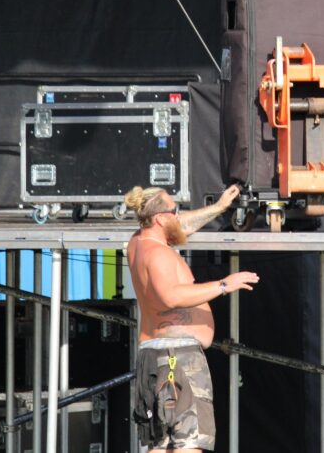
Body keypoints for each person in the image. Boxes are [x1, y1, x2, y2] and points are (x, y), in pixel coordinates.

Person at [125, 184, 259, 453]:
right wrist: (224, 285)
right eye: (174, 210)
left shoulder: (137, 242)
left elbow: (181, 226)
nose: (178, 215)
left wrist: (218, 208)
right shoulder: (159, 254)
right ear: (159, 218)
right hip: (177, 358)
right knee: (188, 444)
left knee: (161, 444)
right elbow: (171, 296)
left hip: (154, 355)